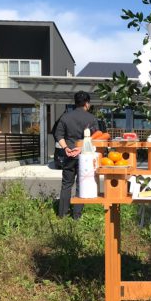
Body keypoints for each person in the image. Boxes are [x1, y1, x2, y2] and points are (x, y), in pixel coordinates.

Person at [54, 91, 99, 219]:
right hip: (85, 156)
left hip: (69, 155)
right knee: (81, 184)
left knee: (66, 184)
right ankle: (77, 216)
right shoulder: (91, 118)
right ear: (87, 103)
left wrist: (66, 148)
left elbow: (58, 135)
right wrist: (81, 148)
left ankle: (62, 214)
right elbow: (97, 136)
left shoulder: (65, 117)